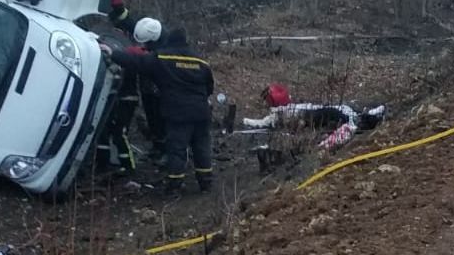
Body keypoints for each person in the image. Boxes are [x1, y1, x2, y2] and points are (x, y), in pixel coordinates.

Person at [104, 27, 215, 194]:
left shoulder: (162, 58)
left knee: (177, 148)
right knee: (202, 146)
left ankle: (175, 185)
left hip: (178, 113)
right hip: (201, 112)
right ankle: (206, 182)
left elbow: (136, 62)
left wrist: (112, 53)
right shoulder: (201, 62)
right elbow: (209, 88)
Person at [108, 0, 167, 159]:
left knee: (162, 118)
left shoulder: (165, 48)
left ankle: (167, 150)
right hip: (148, 87)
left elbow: (145, 59)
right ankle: (158, 146)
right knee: (152, 117)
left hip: (162, 89)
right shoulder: (145, 30)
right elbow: (123, 18)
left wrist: (122, 54)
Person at [243, 83, 387, 151]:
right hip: (326, 110)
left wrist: (245, 121)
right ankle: (371, 115)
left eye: (268, 99)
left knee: (348, 118)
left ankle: (371, 117)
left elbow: (261, 123)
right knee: (347, 114)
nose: (266, 102)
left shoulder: (280, 113)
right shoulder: (291, 108)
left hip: (321, 114)